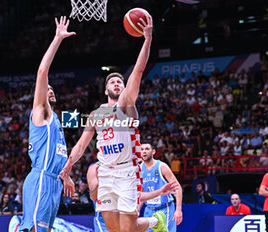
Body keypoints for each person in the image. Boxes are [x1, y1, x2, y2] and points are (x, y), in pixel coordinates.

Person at [61, 14, 168, 232]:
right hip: (105, 172)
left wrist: (147, 40)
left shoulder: (126, 104)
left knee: (127, 229)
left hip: (127, 172)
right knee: (113, 228)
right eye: (113, 81)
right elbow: (81, 145)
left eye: (120, 81)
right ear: (105, 89)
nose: (117, 83)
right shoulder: (95, 115)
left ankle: (156, 221)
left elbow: (137, 72)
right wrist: (68, 166)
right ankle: (155, 222)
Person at [19, 16, 76, 232]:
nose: (49, 89)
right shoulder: (40, 113)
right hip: (41, 178)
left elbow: (59, 153)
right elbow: (42, 72)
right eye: (46, 88)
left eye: (52, 88)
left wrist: (66, 176)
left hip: (55, 182)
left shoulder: (57, 121)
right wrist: (58, 39)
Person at [87, 162, 178, 232]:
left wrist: (159, 192)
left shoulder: (126, 169)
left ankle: (155, 221)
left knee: (133, 226)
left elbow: (137, 195)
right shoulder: (95, 168)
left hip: (123, 214)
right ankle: (154, 221)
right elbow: (94, 196)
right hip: (104, 219)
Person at [140, 144, 183, 232]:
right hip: (148, 209)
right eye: (142, 149)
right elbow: (141, 194)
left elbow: (178, 187)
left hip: (164, 209)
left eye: (147, 149)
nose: (144, 151)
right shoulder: (139, 169)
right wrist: (136, 210)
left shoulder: (162, 166)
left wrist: (178, 210)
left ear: (153, 152)